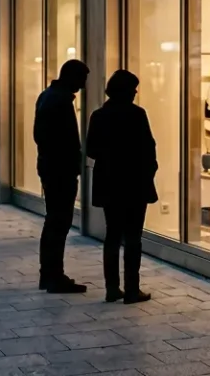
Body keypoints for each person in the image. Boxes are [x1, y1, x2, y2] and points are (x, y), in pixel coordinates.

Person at [86, 70, 158, 304]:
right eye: (133, 88)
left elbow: (91, 151)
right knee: (133, 237)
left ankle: (112, 288)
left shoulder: (98, 116)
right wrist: (148, 171)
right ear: (126, 91)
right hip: (134, 183)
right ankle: (132, 288)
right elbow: (149, 149)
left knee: (113, 235)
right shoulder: (137, 115)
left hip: (109, 183)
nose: (136, 93)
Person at [32, 58, 89, 293]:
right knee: (58, 222)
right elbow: (57, 138)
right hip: (59, 170)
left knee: (54, 221)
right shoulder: (59, 100)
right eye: (82, 79)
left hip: (52, 167)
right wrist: (70, 162)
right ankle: (53, 275)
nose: (84, 85)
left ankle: (50, 274)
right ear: (72, 77)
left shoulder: (48, 96)